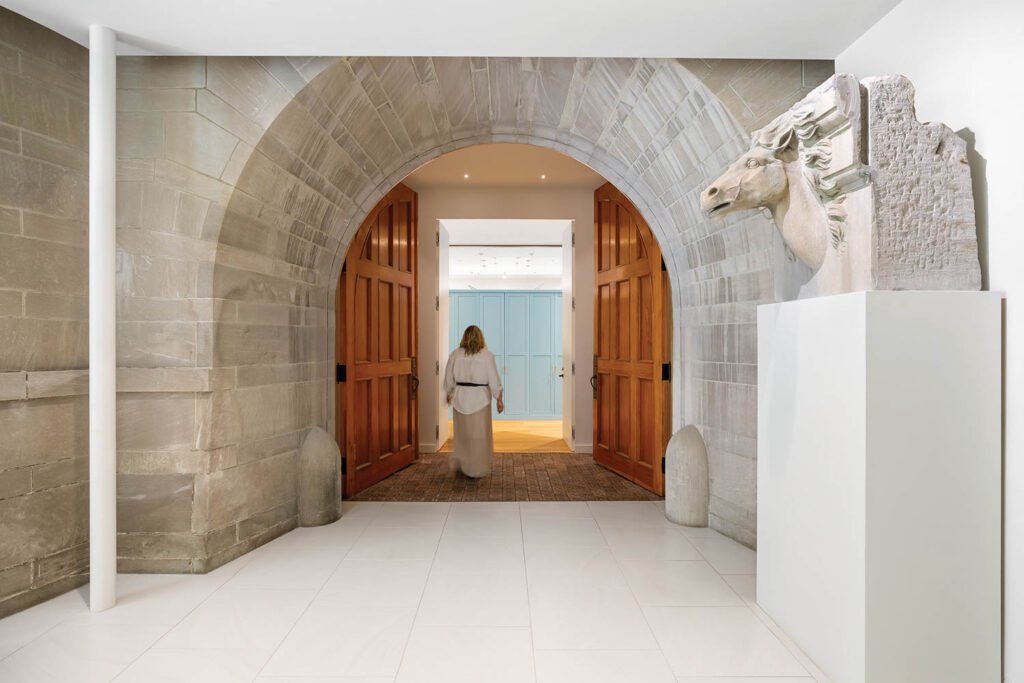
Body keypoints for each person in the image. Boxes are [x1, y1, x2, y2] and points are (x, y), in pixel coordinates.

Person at [443, 325, 504, 478]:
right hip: (480, 399)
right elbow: (493, 379)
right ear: (480, 337)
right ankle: (477, 468)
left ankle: (463, 465)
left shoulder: (455, 354)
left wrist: (449, 392)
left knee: (462, 435)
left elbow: (449, 377)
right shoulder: (487, 356)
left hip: (460, 398)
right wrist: (499, 398)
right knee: (479, 435)